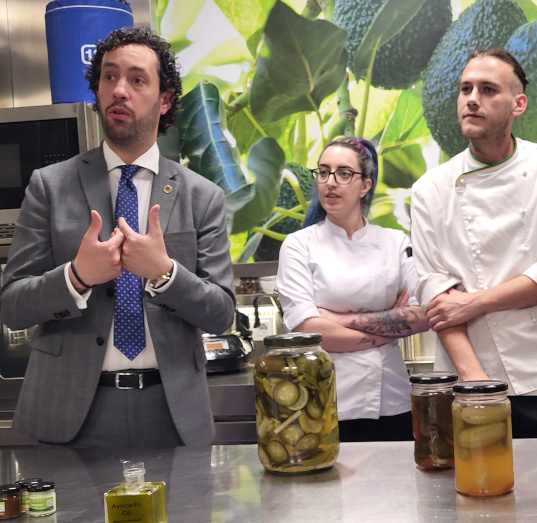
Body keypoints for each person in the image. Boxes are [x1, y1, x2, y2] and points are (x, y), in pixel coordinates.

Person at [0, 27, 235, 447]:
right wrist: (76, 277)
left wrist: (164, 274)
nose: (119, 90)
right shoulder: (49, 186)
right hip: (70, 410)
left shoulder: (203, 196)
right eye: (109, 77)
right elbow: (13, 306)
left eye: (137, 79)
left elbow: (221, 314)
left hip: (171, 410)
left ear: (165, 100)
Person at [410, 48, 537, 438]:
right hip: (468, 379)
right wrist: (477, 382)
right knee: (476, 492)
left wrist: (473, 302)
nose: (472, 99)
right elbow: (437, 295)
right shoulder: (430, 189)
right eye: (465, 89)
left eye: (488, 89)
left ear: (518, 104)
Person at [276, 137, 429, 442]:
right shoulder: (298, 245)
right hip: (327, 400)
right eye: (323, 172)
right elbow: (308, 330)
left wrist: (337, 320)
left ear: (365, 185)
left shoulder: (395, 242)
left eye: (344, 173)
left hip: (391, 399)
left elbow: (423, 314)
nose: (331, 183)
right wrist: (391, 324)